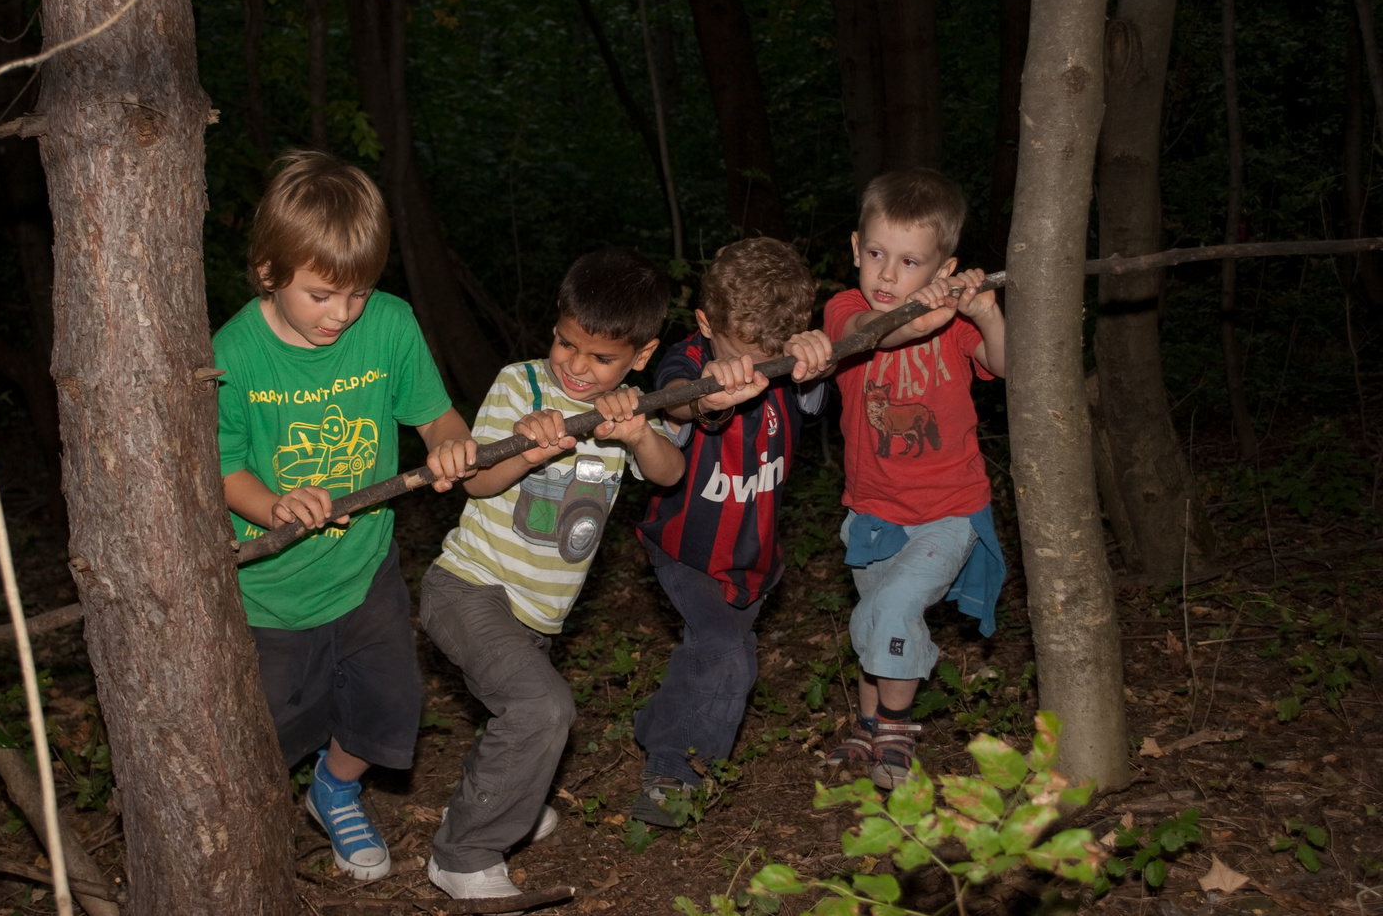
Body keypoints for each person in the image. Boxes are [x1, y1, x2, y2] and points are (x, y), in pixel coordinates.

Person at [213, 152, 479, 881]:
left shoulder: (388, 327)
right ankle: (261, 826)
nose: (342, 314)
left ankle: (336, 787)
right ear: (269, 271)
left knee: (391, 701)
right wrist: (274, 506)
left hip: (366, 569)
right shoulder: (233, 353)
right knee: (271, 729)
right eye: (322, 295)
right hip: (271, 592)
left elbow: (436, 418)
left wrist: (451, 445)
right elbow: (222, 467)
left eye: (357, 293)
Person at [420, 247, 686, 900]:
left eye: (601, 357)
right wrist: (526, 445)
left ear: (641, 355)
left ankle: (510, 802)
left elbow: (670, 473)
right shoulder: (521, 385)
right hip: (469, 586)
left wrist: (636, 432)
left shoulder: (628, 408)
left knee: (527, 717)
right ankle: (464, 852)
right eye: (567, 343)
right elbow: (477, 479)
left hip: (536, 613)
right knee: (543, 706)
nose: (576, 365)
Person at [628, 238, 834, 827]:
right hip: (687, 548)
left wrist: (816, 358)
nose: (758, 364)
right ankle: (672, 772)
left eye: (770, 352)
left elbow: (814, 400)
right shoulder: (685, 360)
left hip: (755, 554)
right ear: (704, 324)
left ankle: (655, 723)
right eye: (744, 350)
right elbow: (675, 406)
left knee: (713, 654)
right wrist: (708, 397)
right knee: (727, 655)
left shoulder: (785, 356)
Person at [821, 168, 1008, 789]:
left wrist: (983, 311)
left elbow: (1008, 366)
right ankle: (870, 726)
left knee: (899, 606)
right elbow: (882, 332)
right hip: (873, 513)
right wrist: (937, 304)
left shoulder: (956, 323)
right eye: (875, 254)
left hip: (949, 510)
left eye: (909, 262)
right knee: (872, 619)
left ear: (942, 266)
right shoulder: (845, 312)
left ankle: (896, 730)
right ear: (855, 248)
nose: (887, 275)